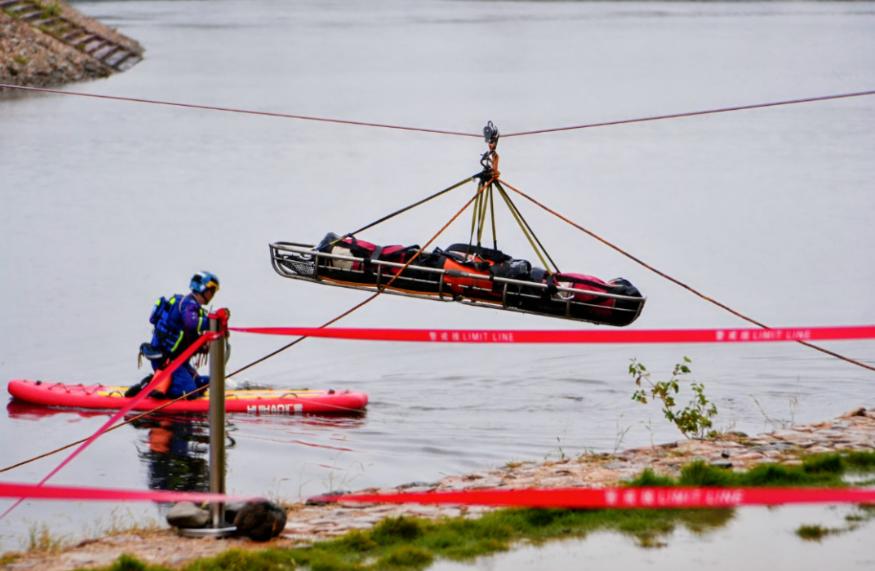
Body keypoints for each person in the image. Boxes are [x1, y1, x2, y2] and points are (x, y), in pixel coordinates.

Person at [138, 271, 220, 399]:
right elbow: (191, 322)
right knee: (190, 393)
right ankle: (152, 386)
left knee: (205, 383)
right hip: (165, 361)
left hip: (179, 362)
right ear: (202, 288)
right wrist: (214, 322)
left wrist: (205, 345)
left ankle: (163, 383)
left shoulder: (195, 309)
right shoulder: (188, 305)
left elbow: (189, 336)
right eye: (212, 290)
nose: (213, 294)